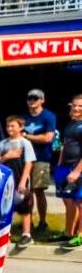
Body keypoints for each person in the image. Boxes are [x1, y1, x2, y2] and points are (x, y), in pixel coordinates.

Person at [0, 116, 37, 247]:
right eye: (8, 126)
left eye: (13, 126)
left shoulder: (25, 143)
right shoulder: (2, 144)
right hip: (6, 182)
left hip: (20, 180)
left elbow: (29, 163)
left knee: (24, 206)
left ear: (21, 127)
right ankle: (6, 235)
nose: (10, 128)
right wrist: (6, 156)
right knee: (7, 208)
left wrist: (23, 181)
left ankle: (26, 234)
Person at [22, 88, 57, 234]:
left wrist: (27, 137)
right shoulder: (23, 117)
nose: (32, 100)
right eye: (30, 98)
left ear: (42, 100)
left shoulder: (48, 116)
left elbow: (48, 138)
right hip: (25, 159)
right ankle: (27, 224)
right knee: (26, 191)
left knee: (39, 191)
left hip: (42, 158)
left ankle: (43, 222)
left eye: (35, 98)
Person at [56, 94, 82, 248]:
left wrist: (77, 171)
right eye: (75, 105)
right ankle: (68, 233)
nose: (77, 108)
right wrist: (59, 166)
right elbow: (65, 145)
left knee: (80, 202)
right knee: (69, 202)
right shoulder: (71, 123)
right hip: (65, 167)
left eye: (80, 106)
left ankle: (80, 236)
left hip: (77, 169)